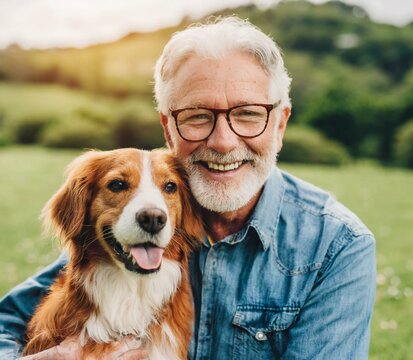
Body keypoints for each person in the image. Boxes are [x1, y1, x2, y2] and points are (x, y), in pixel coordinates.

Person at [0, 16, 376, 359]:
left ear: (280, 125)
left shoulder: (338, 247)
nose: (224, 142)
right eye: (198, 116)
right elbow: (10, 319)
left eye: (248, 114)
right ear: (168, 129)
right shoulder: (126, 233)